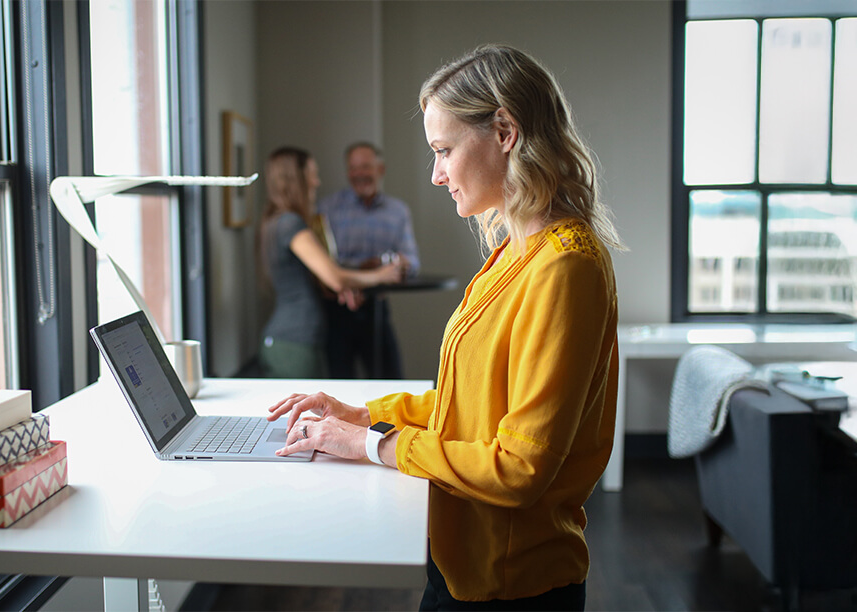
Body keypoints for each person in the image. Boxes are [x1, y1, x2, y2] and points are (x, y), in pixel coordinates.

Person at [266, 44, 624, 611]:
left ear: (504, 131)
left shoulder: (565, 266)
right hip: (461, 561)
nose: (436, 175)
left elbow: (520, 468)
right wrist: (364, 416)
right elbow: (473, 404)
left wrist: (374, 445)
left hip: (512, 585)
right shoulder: (515, 252)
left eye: (444, 150)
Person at [257, 146, 403, 379]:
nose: (317, 182)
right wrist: (381, 275)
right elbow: (335, 277)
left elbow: (318, 280)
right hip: (294, 341)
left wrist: (344, 288)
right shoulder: (291, 224)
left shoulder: (277, 221)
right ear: (296, 179)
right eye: (312, 175)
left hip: (291, 340)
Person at [317, 142, 421, 379]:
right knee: (339, 385)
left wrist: (398, 265)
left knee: (392, 381)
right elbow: (323, 264)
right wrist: (363, 269)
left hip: (377, 309)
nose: (359, 174)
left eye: (365, 167)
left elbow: (413, 262)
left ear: (380, 169)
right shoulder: (327, 208)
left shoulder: (398, 211)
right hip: (337, 310)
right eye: (353, 168)